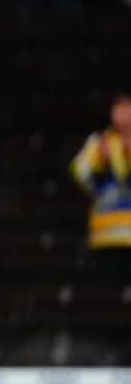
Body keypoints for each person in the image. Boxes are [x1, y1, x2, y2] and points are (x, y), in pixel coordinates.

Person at [70, 90, 131, 290]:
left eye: (128, 108)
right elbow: (79, 173)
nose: (124, 114)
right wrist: (99, 160)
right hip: (107, 235)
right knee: (108, 296)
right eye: (119, 109)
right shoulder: (98, 142)